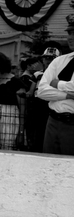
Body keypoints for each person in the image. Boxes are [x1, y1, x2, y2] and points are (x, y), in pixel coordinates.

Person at [36, 24, 74, 155]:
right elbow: (41, 91)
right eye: (69, 33)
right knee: (49, 163)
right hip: (53, 121)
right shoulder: (59, 61)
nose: (71, 37)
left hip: (72, 124)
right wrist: (68, 96)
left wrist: (57, 83)